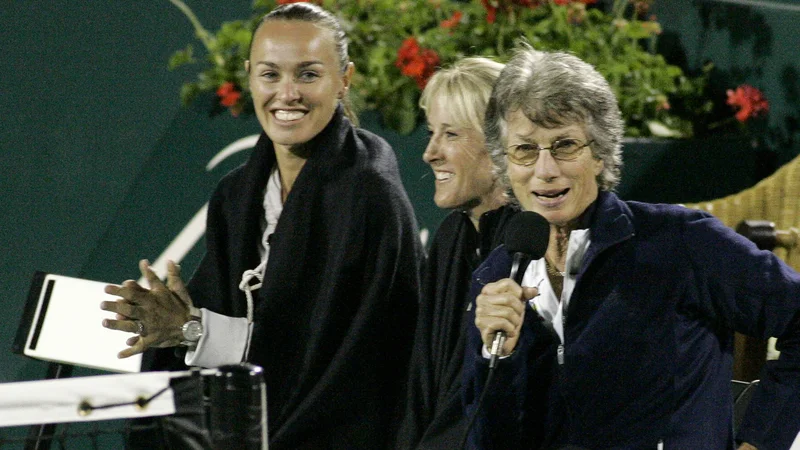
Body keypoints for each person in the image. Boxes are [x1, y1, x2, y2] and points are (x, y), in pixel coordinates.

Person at [100, 3, 423, 449]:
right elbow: (214, 317)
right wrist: (165, 321)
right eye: (270, 75)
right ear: (250, 76)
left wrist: (193, 328)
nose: (286, 94)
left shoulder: (371, 197)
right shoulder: (236, 195)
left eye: (308, 75)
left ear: (344, 79)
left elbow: (344, 367)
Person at [463, 43, 800, 449]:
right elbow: (489, 438)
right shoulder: (496, 277)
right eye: (525, 150)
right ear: (505, 162)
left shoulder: (679, 240)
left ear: (601, 154)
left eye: (565, 145)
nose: (545, 170)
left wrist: (759, 442)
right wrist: (493, 357)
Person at [394, 57, 512, 449]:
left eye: (452, 135)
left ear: (500, 146)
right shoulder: (452, 238)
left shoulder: (533, 245)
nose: (430, 153)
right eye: (431, 133)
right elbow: (421, 390)